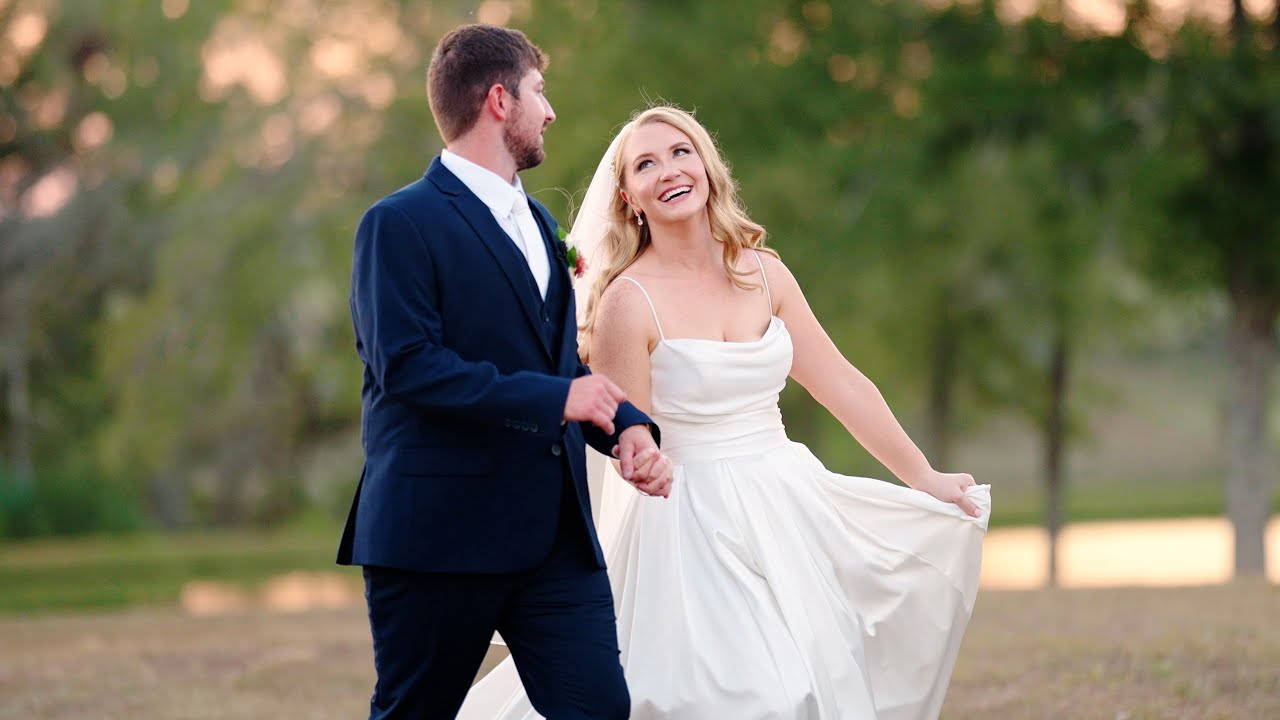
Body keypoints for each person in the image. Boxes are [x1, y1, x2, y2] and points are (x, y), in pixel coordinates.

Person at [461, 105, 991, 719]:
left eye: (681, 153)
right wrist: (643, 460)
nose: (668, 171)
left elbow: (841, 384)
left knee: (817, 680)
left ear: (707, 168)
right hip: (690, 524)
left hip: (787, 504)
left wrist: (922, 476)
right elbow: (625, 435)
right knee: (751, 696)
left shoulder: (765, 273)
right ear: (629, 196)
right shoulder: (627, 303)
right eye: (646, 164)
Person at [337, 26, 673, 720]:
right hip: (438, 535)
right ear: (499, 100)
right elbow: (408, 367)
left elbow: (559, 368)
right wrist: (561, 398)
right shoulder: (398, 224)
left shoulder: (544, 222)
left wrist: (630, 431)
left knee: (599, 710)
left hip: (553, 538)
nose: (550, 111)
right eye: (539, 92)